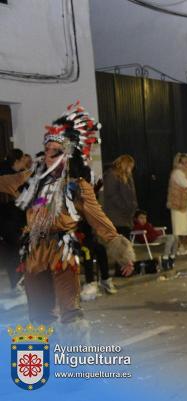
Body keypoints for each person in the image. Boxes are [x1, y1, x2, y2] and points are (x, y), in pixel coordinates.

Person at [0, 102, 134, 343]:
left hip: (62, 250)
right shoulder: (28, 179)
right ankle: (44, 362)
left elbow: (98, 218)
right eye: (47, 148)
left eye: (55, 150)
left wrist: (121, 250)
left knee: (70, 310)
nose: (49, 154)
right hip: (33, 251)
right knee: (40, 313)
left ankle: (75, 360)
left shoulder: (78, 186)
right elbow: (3, 181)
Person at [0, 149, 29, 297]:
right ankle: (18, 284)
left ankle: (18, 284)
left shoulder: (19, 175)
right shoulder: (8, 177)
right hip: (9, 221)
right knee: (16, 252)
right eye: (23, 159)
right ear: (16, 161)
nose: (25, 162)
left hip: (13, 220)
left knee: (15, 253)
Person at [167, 153, 187, 255]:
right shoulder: (177, 173)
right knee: (179, 226)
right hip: (178, 203)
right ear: (180, 163)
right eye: (186, 162)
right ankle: (179, 246)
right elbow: (186, 184)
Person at [102, 154, 137, 238]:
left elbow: (131, 196)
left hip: (125, 217)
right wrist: (125, 207)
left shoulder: (127, 177)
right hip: (116, 217)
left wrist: (132, 207)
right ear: (125, 165)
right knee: (119, 245)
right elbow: (111, 194)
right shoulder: (111, 175)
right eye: (130, 166)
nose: (131, 168)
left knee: (124, 245)